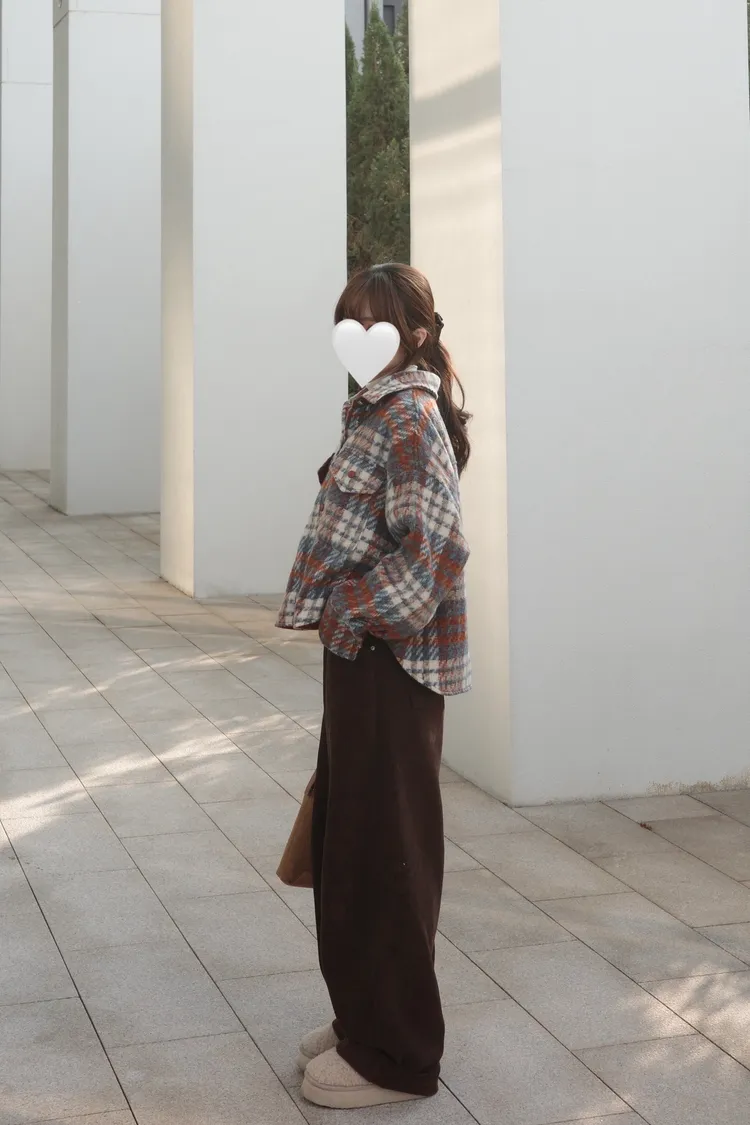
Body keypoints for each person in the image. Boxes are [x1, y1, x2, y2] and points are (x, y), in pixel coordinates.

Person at [276, 262, 471, 1110]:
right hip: (363, 656)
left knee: (385, 851)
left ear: (416, 335)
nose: (357, 337)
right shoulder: (374, 408)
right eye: (348, 321)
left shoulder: (409, 416)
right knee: (349, 839)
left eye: (376, 323)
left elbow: (436, 550)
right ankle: (363, 1017)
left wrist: (351, 609)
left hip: (392, 659)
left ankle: (398, 1054)